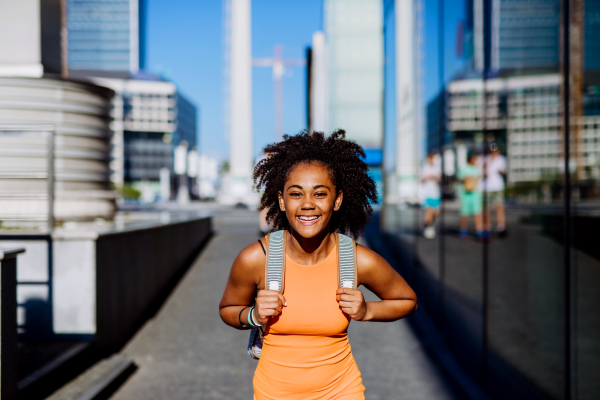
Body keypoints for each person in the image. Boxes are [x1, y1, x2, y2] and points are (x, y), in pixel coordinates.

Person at [219, 130, 417, 400]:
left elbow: (406, 300)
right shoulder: (257, 259)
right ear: (281, 200)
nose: (308, 205)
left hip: (342, 392)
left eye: (320, 194)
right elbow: (229, 309)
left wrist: (367, 310)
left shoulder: (356, 259)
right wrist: (253, 315)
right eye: (296, 194)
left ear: (337, 200)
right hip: (273, 393)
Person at [457, 152, 484, 240]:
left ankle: (479, 231)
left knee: (477, 213)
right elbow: (458, 180)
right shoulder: (463, 169)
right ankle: (463, 231)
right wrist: (465, 180)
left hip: (475, 194)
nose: (475, 161)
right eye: (474, 159)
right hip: (465, 194)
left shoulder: (477, 169)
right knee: (464, 213)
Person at [483, 144, 506, 236]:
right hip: (488, 187)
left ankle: (501, 227)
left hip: (498, 187)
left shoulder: (501, 159)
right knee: (488, 208)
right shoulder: (485, 159)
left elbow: (503, 171)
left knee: (499, 207)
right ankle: (487, 227)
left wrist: (501, 171)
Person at [420, 151, 441, 239]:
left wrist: (435, 177)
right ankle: (428, 227)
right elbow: (421, 180)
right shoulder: (424, 168)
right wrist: (429, 177)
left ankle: (429, 225)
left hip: (435, 193)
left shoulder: (437, 168)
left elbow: (439, 179)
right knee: (428, 212)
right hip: (427, 193)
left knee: (436, 212)